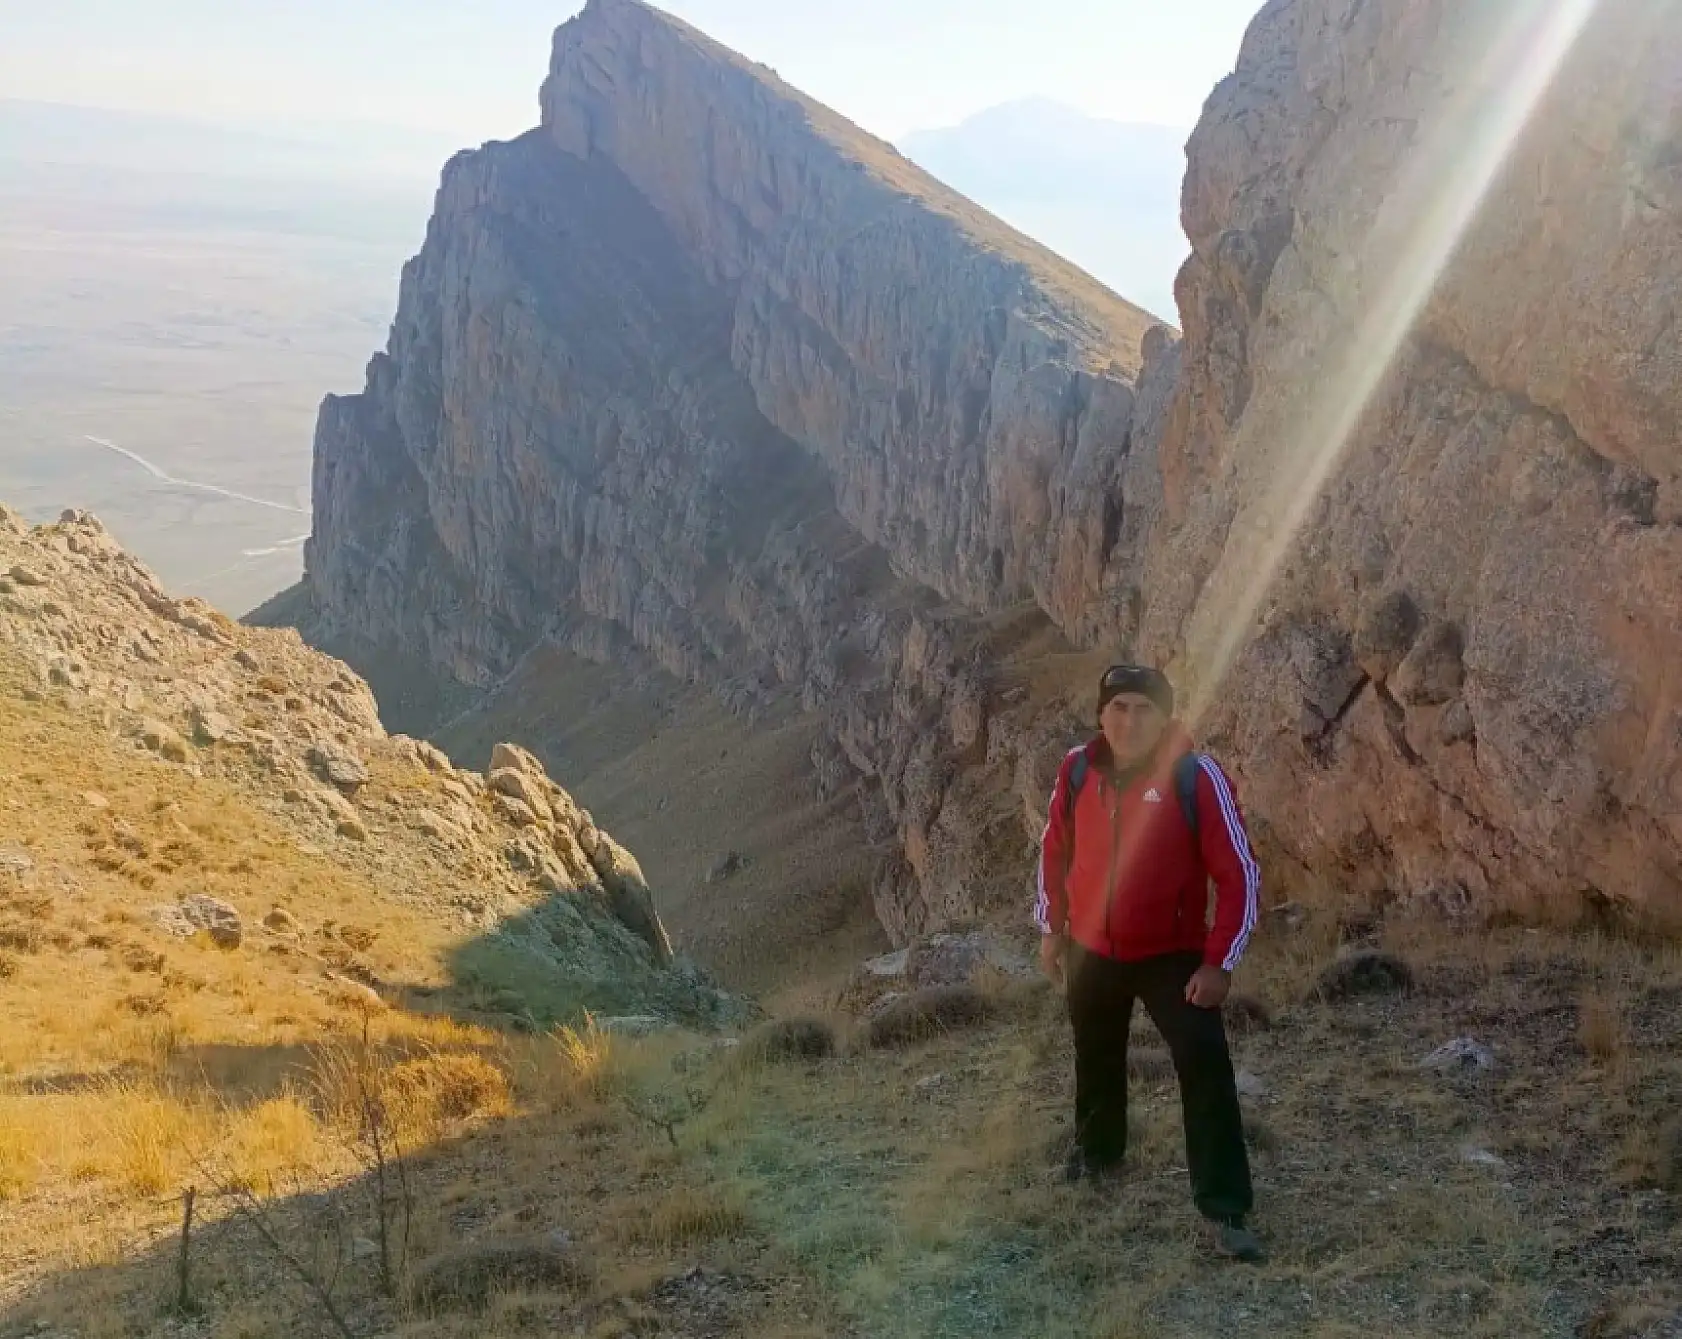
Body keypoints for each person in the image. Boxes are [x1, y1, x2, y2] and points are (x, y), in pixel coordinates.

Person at [1034, 662, 1264, 1263]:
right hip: (1091, 950)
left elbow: (1238, 872)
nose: (1130, 721)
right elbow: (1055, 850)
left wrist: (1219, 963)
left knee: (1204, 1067)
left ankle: (1225, 1208)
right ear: (1101, 714)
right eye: (1119, 707)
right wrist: (1052, 928)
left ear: (1164, 718)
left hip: (1173, 956)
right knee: (1095, 1054)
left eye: (1144, 709)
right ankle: (1097, 1153)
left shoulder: (1195, 776)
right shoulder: (1077, 770)